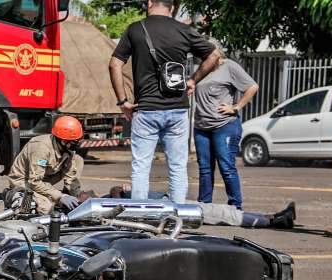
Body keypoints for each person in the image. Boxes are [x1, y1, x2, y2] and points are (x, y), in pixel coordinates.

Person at [109, 0, 220, 204]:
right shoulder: (183, 30)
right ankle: (176, 217)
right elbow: (214, 55)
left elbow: (114, 64)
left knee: (141, 167)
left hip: (146, 109)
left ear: (150, 3)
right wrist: (193, 80)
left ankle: (140, 217)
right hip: (177, 109)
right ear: (172, 6)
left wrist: (123, 101)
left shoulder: (136, 29)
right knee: (177, 168)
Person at [193, 41, 259, 209]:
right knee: (205, 168)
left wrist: (236, 107)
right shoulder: (201, 70)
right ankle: (204, 206)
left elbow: (252, 87)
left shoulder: (229, 66)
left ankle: (235, 206)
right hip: (202, 127)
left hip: (224, 125)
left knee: (226, 167)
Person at [108, 185, 296, 229]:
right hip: (164, 209)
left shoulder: (99, 200)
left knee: (220, 210)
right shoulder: (98, 205)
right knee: (219, 214)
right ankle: (274, 221)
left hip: (167, 201)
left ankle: (273, 217)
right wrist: (117, 191)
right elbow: (116, 200)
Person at [7, 116, 84, 214]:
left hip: (43, 178)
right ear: (63, 141)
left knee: (78, 160)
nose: (77, 145)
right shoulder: (41, 148)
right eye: (74, 142)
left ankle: (59, 196)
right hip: (26, 181)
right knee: (46, 208)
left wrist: (78, 196)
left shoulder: (67, 149)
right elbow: (34, 182)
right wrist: (60, 197)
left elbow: (71, 177)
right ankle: (13, 194)